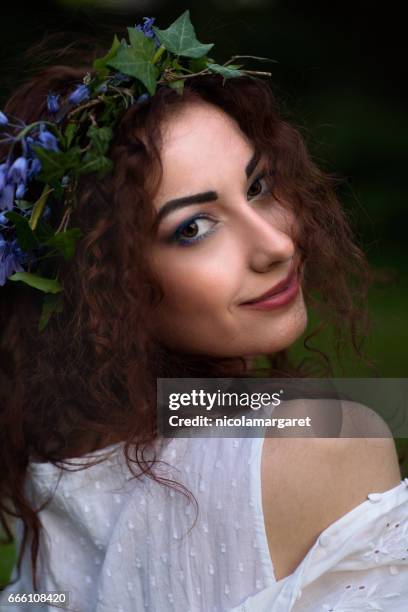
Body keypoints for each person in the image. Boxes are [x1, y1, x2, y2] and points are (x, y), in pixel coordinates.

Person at [0, 11, 407, 612]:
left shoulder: (48, 480)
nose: (277, 245)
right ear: (102, 282)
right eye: (192, 227)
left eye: (259, 187)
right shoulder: (326, 442)